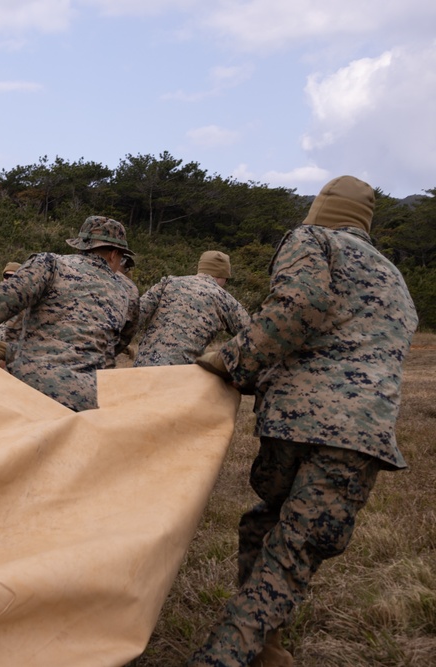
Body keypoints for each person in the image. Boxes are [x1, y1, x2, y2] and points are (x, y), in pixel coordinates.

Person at [189, 176, 418, 667]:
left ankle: (241, 653)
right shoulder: (394, 278)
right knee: (289, 546)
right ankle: (252, 649)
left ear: (321, 209)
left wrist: (235, 362)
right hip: (360, 435)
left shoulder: (313, 239)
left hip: (293, 423)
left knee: (273, 531)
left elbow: (299, 305)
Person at [0, 216, 139, 412]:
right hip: (90, 405)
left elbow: (2, 301)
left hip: (32, 395)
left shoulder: (51, 264)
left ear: (81, 246)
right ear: (113, 254)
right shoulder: (126, 293)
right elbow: (112, 346)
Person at [133, 250, 250, 367]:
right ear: (225, 275)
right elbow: (253, 338)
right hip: (180, 373)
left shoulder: (168, 282)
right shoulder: (225, 299)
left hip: (142, 367)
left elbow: (135, 316)